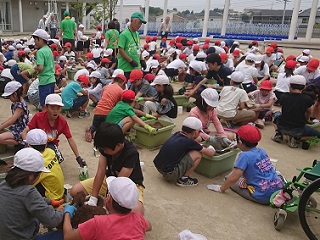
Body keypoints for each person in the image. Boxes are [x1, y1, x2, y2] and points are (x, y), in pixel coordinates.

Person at [70, 122, 146, 214]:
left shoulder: (131, 154)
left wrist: (107, 205)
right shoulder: (107, 147)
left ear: (118, 145)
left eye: (105, 149)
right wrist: (93, 198)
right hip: (109, 180)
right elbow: (101, 171)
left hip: (130, 186)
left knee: (135, 213)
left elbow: (119, 184)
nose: (104, 151)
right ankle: (99, 198)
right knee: (75, 191)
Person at [207, 125, 284, 205]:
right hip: (277, 190)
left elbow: (233, 178)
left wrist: (221, 188)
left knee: (229, 179)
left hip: (262, 196)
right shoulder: (262, 151)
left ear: (240, 142)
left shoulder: (244, 156)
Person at [0, 148, 63, 239]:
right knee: (64, 235)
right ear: (31, 176)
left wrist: (49, 201)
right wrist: (63, 211)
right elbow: (52, 220)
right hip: (23, 237)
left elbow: (28, 201)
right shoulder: (28, 192)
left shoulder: (3, 184)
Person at [63, 176, 152, 240]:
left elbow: (68, 236)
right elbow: (149, 226)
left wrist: (67, 213)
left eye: (108, 194)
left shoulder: (98, 223)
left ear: (109, 199)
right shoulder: (138, 219)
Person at [21, 94, 87, 167]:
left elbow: (70, 139)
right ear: (46, 107)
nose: (55, 111)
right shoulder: (38, 117)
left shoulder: (63, 122)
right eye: (52, 108)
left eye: (58, 108)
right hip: (37, 144)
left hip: (51, 144)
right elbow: (25, 131)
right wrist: (27, 145)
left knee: (57, 160)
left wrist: (78, 157)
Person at [154, 117, 215, 186]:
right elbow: (210, 154)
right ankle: (184, 179)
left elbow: (191, 144)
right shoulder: (189, 142)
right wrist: (211, 148)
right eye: (199, 132)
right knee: (198, 154)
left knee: (191, 150)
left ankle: (179, 174)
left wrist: (199, 145)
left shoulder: (177, 134)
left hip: (159, 167)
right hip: (170, 174)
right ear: (195, 133)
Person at [272, 75, 320, 148]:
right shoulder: (307, 99)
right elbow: (309, 111)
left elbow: (284, 110)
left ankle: (279, 134)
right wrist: (307, 120)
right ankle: (296, 138)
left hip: (282, 126)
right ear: (304, 87)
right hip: (299, 128)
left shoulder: (284, 96)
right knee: (317, 134)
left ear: (290, 85)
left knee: (276, 114)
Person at [26, 129, 64, 201]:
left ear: (29, 146)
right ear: (46, 144)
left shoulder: (36, 162)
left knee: (24, 186)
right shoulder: (51, 151)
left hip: (51, 197)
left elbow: (28, 183)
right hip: (59, 192)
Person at [89, 73, 126, 139]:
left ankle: (92, 130)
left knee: (95, 125)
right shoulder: (121, 91)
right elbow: (118, 105)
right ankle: (98, 134)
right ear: (123, 83)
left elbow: (101, 98)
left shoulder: (106, 87)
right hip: (107, 113)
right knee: (105, 130)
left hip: (98, 110)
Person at [118, 12, 147, 79]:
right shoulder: (124, 34)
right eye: (138, 23)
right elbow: (120, 49)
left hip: (136, 68)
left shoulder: (137, 34)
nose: (139, 25)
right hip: (125, 68)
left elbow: (138, 48)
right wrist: (130, 61)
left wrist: (141, 60)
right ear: (132, 21)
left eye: (141, 23)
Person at [32, 29, 56, 109]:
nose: (34, 42)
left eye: (35, 39)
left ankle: (44, 121)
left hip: (44, 81)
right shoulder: (48, 50)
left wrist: (34, 70)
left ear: (41, 39)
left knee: (44, 105)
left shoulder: (40, 52)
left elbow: (40, 67)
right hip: (51, 80)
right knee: (50, 104)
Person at [0, 81, 29, 147]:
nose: (9, 99)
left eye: (9, 96)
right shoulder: (16, 103)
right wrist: (3, 124)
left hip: (20, 130)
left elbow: (12, 120)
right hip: (15, 127)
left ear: (15, 94)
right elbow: (12, 118)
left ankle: (19, 142)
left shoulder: (20, 106)